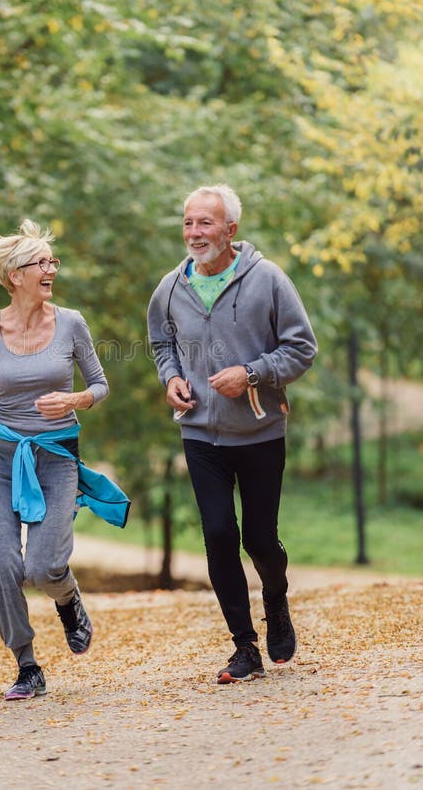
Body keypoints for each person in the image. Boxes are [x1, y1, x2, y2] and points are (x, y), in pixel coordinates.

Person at [147, 184, 317, 684]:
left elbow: (301, 348)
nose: (194, 233)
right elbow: (161, 343)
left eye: (205, 223)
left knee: (260, 539)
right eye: (188, 223)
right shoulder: (170, 288)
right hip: (200, 434)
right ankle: (245, 648)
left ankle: (276, 600)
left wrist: (253, 373)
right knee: (219, 534)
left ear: (230, 230)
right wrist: (171, 378)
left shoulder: (268, 280)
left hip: (260, 429)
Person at [0, 219, 117, 701]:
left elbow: (100, 385)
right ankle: (27, 665)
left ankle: (68, 601)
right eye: (41, 263)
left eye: (53, 261)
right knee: (2, 565)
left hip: (55, 454)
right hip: (1, 456)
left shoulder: (71, 323)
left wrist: (73, 402)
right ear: (14, 276)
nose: (51, 269)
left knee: (44, 566)